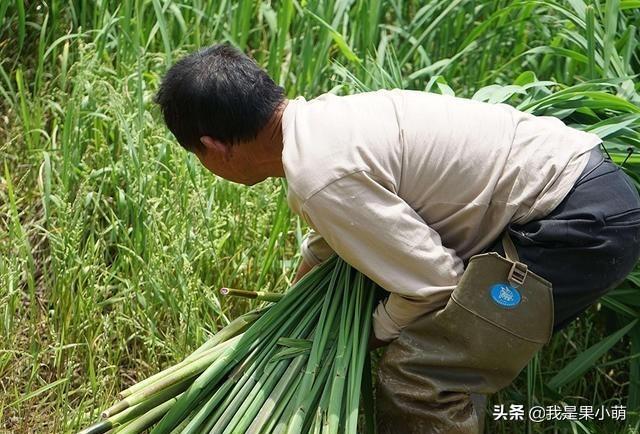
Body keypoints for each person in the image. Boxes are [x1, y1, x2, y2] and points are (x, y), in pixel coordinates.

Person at [154, 43, 640, 433]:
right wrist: (301, 285)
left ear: (214, 147)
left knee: (420, 376)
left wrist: (365, 336)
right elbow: (358, 221)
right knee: (450, 346)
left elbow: (434, 284)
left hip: (575, 229)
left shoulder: (318, 174)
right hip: (585, 191)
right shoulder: (323, 123)